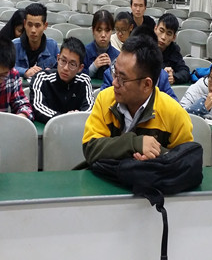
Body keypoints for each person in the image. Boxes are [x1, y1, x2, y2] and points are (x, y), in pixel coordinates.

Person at [82, 34, 193, 165]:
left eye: (122, 79)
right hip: (108, 175)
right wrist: (134, 143)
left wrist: (155, 157)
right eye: (115, 73)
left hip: (153, 178)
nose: (114, 83)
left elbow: (187, 162)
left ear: (146, 84)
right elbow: (90, 148)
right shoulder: (105, 99)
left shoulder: (174, 113)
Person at [101, 25, 178, 101]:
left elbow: (173, 104)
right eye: (116, 76)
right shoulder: (110, 74)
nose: (114, 83)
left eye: (122, 79)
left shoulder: (161, 76)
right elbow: (104, 100)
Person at [29, 37, 94, 124]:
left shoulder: (84, 81)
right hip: (48, 129)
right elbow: (37, 106)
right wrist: (64, 118)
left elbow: (90, 109)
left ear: (80, 68)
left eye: (72, 64)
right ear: (58, 58)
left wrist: (77, 117)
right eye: (63, 61)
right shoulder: (42, 78)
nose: (66, 68)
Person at [13, 3, 59, 79]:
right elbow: (5, 68)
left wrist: (50, 72)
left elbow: (61, 69)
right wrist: (25, 72)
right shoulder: (14, 45)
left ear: (45, 26)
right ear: (24, 24)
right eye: (30, 25)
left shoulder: (53, 46)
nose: (33, 30)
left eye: (37, 26)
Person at [154, 13, 191, 84]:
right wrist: (162, 72)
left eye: (168, 34)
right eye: (161, 31)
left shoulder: (174, 49)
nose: (163, 37)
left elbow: (185, 71)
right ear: (155, 29)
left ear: (173, 37)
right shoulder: (145, 45)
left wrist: (173, 77)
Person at [83, 10, 119, 80]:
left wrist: (111, 68)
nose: (103, 35)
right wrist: (93, 67)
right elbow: (77, 78)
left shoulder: (118, 56)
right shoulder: (83, 53)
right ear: (93, 31)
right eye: (99, 30)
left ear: (112, 31)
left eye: (107, 30)